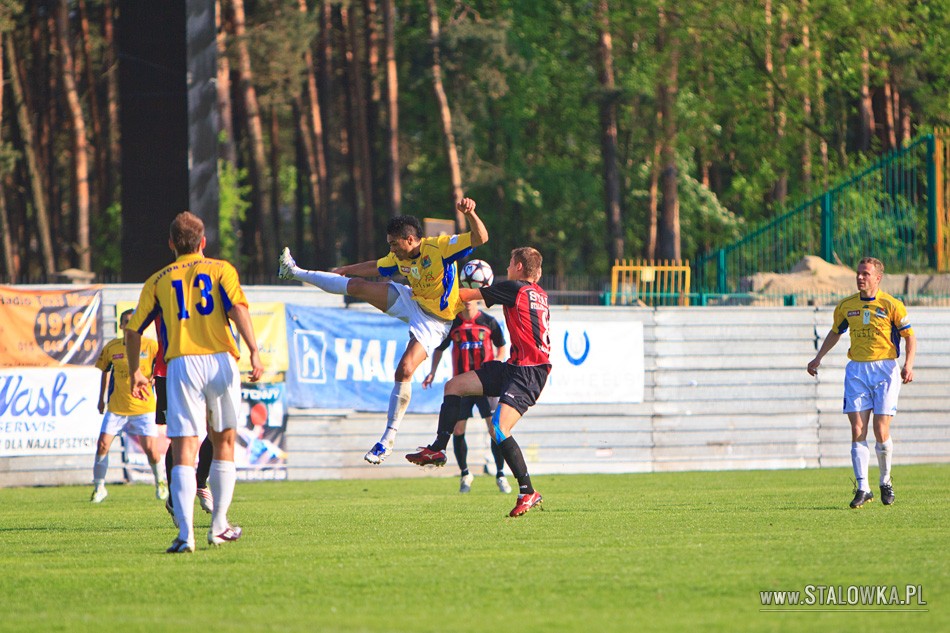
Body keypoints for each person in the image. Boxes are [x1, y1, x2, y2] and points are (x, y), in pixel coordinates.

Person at [278, 198, 488, 464]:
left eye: (393, 243)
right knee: (356, 285)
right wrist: (344, 270)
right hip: (412, 300)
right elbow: (374, 266)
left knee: (404, 370)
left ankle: (387, 440)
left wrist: (471, 213)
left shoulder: (441, 247)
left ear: (410, 239)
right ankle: (293, 271)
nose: (391, 248)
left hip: (436, 322)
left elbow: (480, 237)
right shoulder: (397, 259)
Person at [126, 211, 264, 553]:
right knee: (224, 443)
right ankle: (218, 527)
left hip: (181, 365)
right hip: (220, 360)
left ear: (172, 243)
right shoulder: (221, 270)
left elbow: (132, 329)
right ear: (203, 242)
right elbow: (239, 311)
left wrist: (135, 372)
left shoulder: (157, 280)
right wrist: (255, 352)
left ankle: (185, 535)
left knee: (185, 447)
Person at [407, 247, 551, 518]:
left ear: (519, 267)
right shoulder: (539, 294)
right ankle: (438, 449)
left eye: (510, 262)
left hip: (528, 372)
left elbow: (464, 295)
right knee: (454, 386)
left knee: (498, 428)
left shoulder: (515, 288)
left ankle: (527, 490)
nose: (506, 268)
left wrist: (424, 288)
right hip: (515, 367)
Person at [807, 257, 915, 509]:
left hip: (885, 370)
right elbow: (836, 331)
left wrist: (908, 365)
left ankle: (885, 480)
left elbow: (910, 337)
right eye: (858, 273)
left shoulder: (891, 305)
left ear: (877, 277)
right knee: (857, 430)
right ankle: (863, 488)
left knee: (880, 430)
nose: (860, 277)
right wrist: (818, 357)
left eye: (865, 274)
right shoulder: (846, 306)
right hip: (856, 370)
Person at [421, 297, 511, 494]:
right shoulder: (454, 323)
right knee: (459, 429)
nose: (468, 302)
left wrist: (497, 361)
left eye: (472, 298)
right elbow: (439, 348)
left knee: (495, 430)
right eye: (465, 298)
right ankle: (465, 474)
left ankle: (501, 474)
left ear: (478, 299)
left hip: (486, 384)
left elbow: (502, 345)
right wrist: (433, 371)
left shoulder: (489, 322)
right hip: (463, 385)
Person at [90, 309, 168, 503]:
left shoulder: (151, 346)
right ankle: (99, 487)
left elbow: (160, 368)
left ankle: (160, 482)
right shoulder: (112, 347)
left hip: (144, 407)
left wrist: (150, 380)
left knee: (151, 449)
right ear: (121, 326)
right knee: (102, 444)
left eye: (134, 320)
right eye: (126, 321)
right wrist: (101, 399)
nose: (130, 324)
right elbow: (105, 372)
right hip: (117, 407)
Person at [154, 312, 215, 524]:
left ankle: (200, 482)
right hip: (169, 372)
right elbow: (134, 329)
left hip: (204, 370)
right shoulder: (162, 286)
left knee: (218, 430)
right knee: (181, 438)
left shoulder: (204, 287)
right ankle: (174, 498)